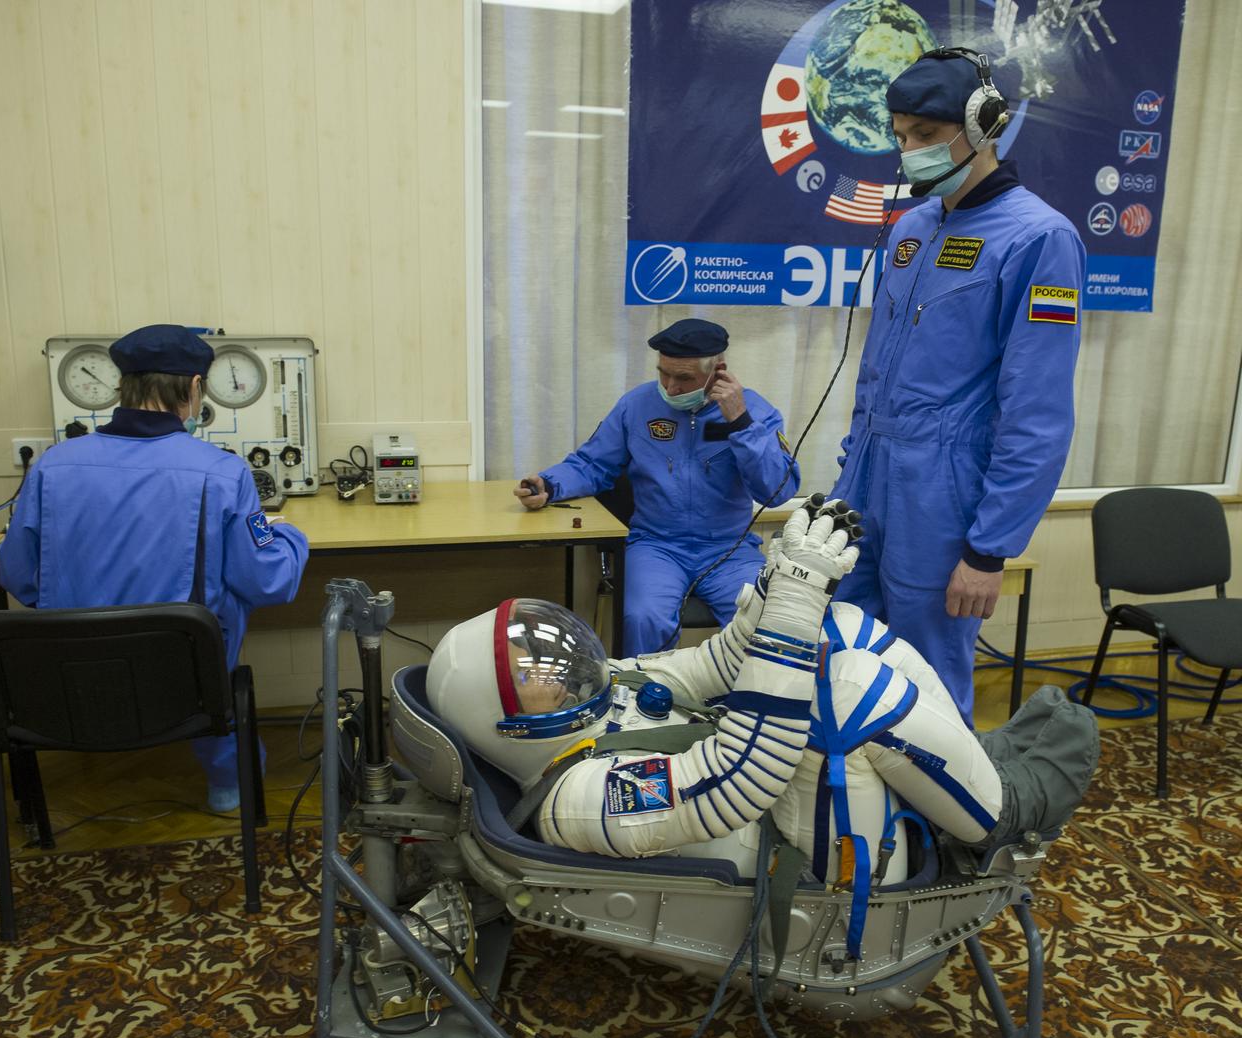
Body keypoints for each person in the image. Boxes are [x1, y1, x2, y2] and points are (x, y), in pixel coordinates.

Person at [424, 498, 1098, 950]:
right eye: (533, 678)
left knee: (839, 628)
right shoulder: (575, 802)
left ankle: (968, 767)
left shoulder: (592, 701)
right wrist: (794, 601)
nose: (558, 673)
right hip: (810, 870)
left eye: (544, 654)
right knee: (841, 691)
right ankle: (1000, 809)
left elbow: (710, 665)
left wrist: (779, 585)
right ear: (503, 726)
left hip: (793, 809)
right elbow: (735, 777)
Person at [829, 48, 1087, 726]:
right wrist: (846, 481)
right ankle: (861, 822)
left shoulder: (1039, 239)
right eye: (899, 135)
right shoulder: (912, 229)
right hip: (868, 488)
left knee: (927, 692)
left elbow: (1037, 410)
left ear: (982, 127)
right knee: (846, 661)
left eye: (923, 135)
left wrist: (988, 548)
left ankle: (944, 834)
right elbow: (876, 373)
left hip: (942, 505)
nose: (906, 151)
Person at [0, 324, 310, 812]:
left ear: (122, 386)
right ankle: (229, 786)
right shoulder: (222, 472)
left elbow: (17, 575)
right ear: (192, 389)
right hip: (184, 690)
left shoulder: (52, 467)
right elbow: (267, 580)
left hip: (70, 688)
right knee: (213, 618)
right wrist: (289, 536)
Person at [514, 317, 800, 657]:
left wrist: (740, 424)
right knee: (642, 617)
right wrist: (549, 484)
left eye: (684, 377)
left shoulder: (754, 412)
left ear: (718, 371)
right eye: (663, 373)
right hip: (657, 545)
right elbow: (593, 464)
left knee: (766, 621)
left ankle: (745, 705)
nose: (671, 387)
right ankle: (647, 702)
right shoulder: (637, 406)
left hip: (729, 549)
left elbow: (776, 492)